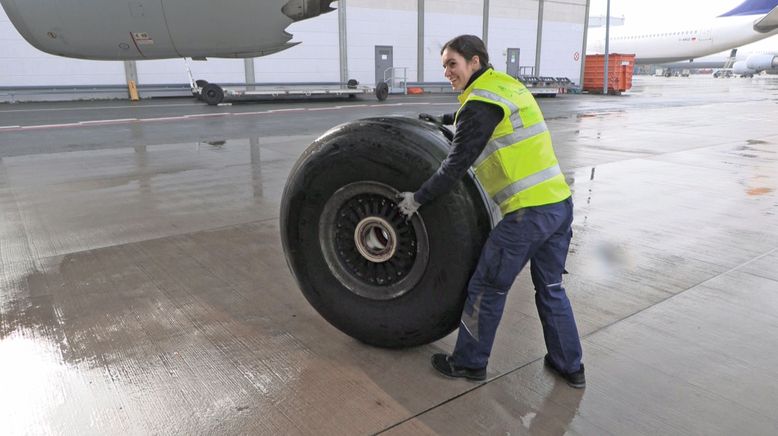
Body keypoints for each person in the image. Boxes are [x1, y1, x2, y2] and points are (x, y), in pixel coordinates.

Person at [396, 35, 585, 388]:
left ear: (475, 62)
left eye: (453, 64)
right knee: (552, 287)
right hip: (558, 204)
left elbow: (454, 166)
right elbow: (478, 118)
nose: (448, 72)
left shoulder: (481, 102)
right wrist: (444, 119)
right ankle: (569, 365)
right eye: (445, 66)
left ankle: (468, 362)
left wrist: (417, 200)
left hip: (527, 214)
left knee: (487, 286)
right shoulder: (504, 86)